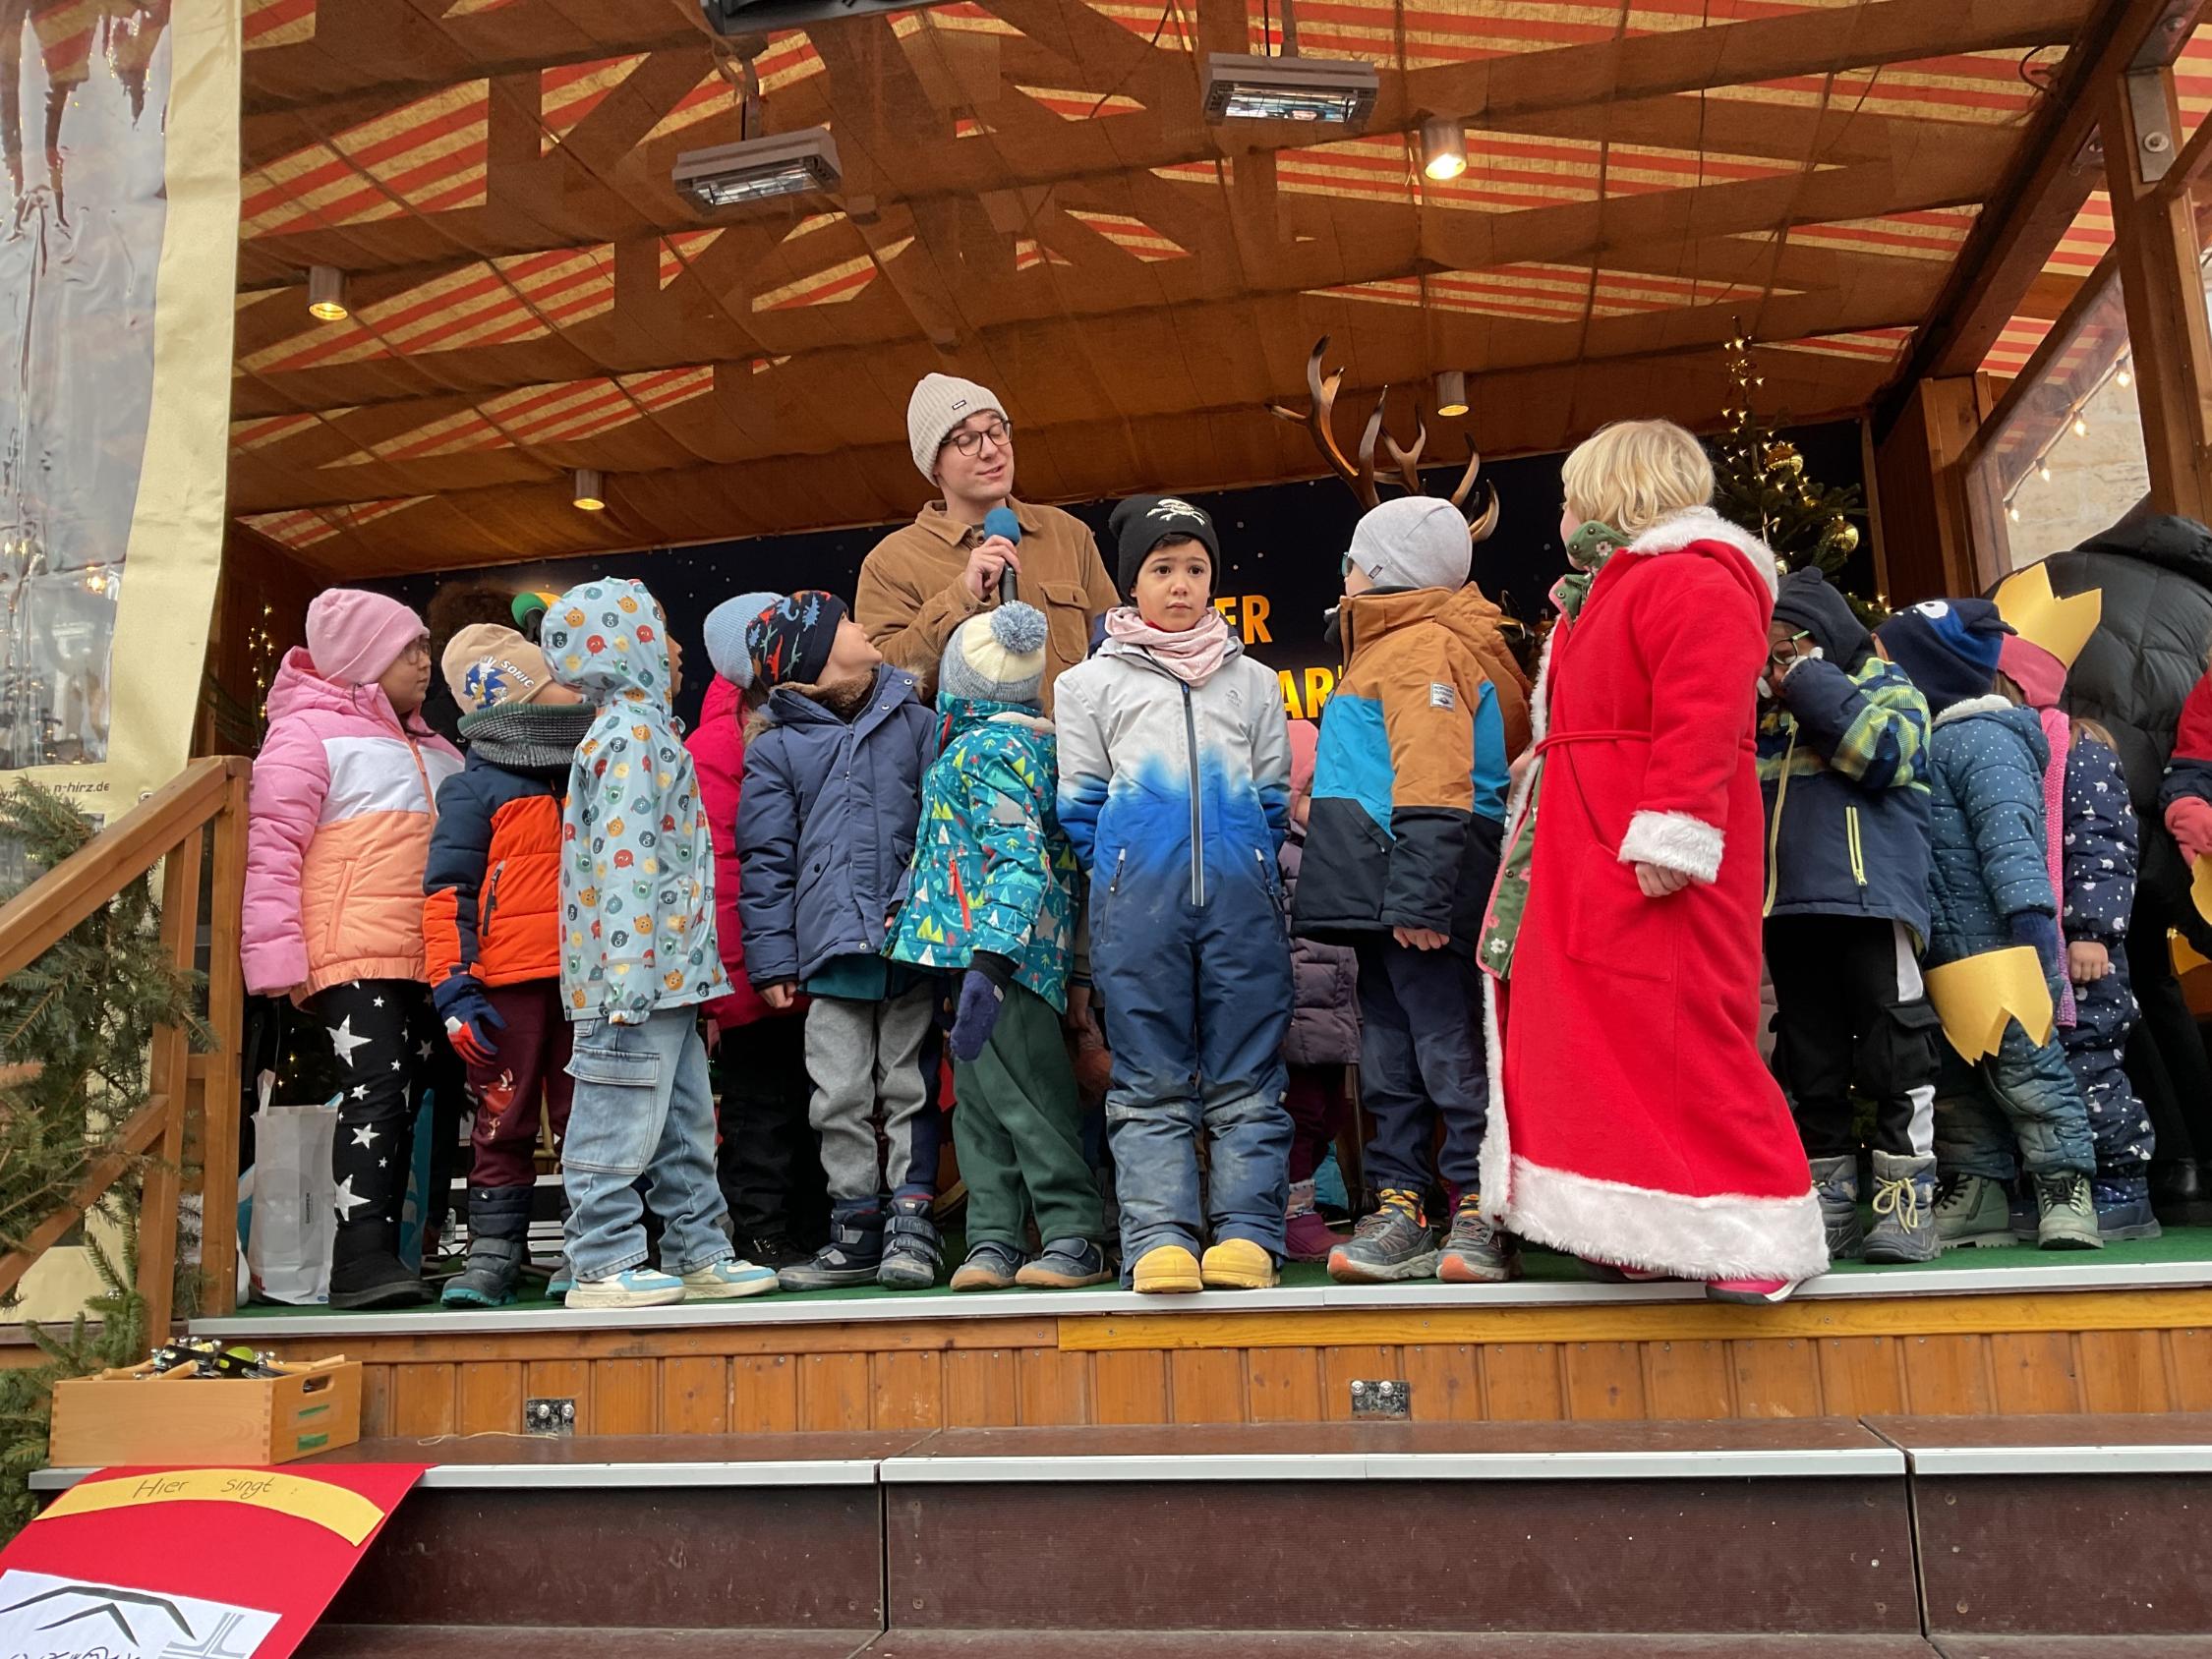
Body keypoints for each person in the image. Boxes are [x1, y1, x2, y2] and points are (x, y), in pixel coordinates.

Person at [1484, 420, 1826, 1304]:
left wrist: (1675, 828)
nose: (1561, 514)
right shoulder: (1607, 592)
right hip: (1591, 842)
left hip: (1650, 845)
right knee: (1609, 1040)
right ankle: (1646, 1222)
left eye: (1570, 497)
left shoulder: (1693, 576)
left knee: (1690, 1029)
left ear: (1614, 493)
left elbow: (1704, 709)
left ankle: (1760, 1226)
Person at [1055, 495, 1294, 1292]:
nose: (1182, 584)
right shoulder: (1087, 685)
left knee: (1248, 1073)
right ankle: (1158, 1236)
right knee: (1148, 1076)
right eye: (1163, 569)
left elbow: (1270, 797)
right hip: (1138, 912)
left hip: (1241, 907)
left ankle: (1247, 1233)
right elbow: (1081, 804)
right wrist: (1126, 873)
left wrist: (1248, 866)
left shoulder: (1254, 682)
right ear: (1133, 583)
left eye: (1196, 568)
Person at [1293, 496, 1531, 1285]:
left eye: (1354, 561)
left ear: (1383, 572)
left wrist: (1424, 899)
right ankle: (1402, 1204)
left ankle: (1477, 1206)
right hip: (1383, 896)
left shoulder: (1422, 646)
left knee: (1447, 1048)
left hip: (1418, 892)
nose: (1345, 573)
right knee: (1390, 1054)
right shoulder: (1390, 646)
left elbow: (1435, 775)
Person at [540, 578, 780, 1309]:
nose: (676, 648)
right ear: (626, 645)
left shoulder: (646, 730)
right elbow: (628, 857)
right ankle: (600, 1259)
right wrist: (628, 972)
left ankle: (697, 1247)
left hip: (664, 972)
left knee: (682, 1120)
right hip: (633, 976)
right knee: (616, 1114)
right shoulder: (632, 736)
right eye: (661, 629)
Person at [241, 590, 463, 1308]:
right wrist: (273, 958)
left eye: (426, 646)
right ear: (364, 658)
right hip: (351, 950)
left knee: (426, 1091)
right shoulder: (305, 735)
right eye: (408, 648)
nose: (425, 661)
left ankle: (409, 1244)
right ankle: (359, 1256)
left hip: (429, 954)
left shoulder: (440, 749)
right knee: (378, 1085)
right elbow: (272, 848)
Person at [890, 602, 1110, 1290]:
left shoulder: (990, 750)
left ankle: (1073, 1232)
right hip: (974, 959)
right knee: (981, 1105)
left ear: (959, 682)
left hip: (1003, 963)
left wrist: (992, 962)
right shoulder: (1010, 745)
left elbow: (1021, 861)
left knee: (1031, 1101)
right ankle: (993, 1238)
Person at [1875, 600, 2101, 1251]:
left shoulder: (1982, 739)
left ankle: (2065, 1188)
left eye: (1891, 663)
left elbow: (2011, 840)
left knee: (2032, 1073)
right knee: (1957, 1081)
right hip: (1944, 948)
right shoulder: (1926, 742)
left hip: (2002, 949)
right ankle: (1979, 1192)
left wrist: (2032, 928)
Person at [734, 592, 942, 1291]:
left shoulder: (916, 721)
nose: (862, 626)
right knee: (838, 1094)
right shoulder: (777, 746)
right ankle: (854, 1226)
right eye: (846, 622)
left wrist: (916, 904)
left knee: (910, 1085)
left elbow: (939, 824)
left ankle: (912, 1224)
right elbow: (766, 858)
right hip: (828, 949)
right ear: (814, 657)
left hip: (908, 942)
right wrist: (771, 958)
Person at [1756, 567, 1941, 1264]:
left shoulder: (1883, 684)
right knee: (1811, 1055)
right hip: (1789, 905)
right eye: (1767, 656)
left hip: (1871, 900)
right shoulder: (1766, 713)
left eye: (1788, 649)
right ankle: (1827, 1197)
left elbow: (1885, 755)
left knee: (1897, 1044)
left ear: (1824, 637)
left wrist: (1809, 680)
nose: (1776, 669)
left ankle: (1906, 1197)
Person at [2031, 514, 2212, 1222]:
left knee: (2113, 994)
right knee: (2157, 987)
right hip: (2160, 829)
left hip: (2073, 813)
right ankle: (2199, 1157)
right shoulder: (2198, 605)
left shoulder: (2060, 577)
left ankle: (2169, 1164)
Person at [423, 625, 597, 1307]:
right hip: (506, 986)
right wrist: (454, 987)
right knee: (502, 1116)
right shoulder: (474, 790)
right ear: (516, 697)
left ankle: (591, 1244)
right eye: (556, 682)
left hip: (588, 978)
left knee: (589, 1114)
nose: (574, 690)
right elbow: (448, 893)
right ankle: (493, 1250)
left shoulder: (590, 766)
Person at [2000, 621, 2155, 1241]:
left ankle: (2123, 1183)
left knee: (2089, 1063)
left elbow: (2104, 846)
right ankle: (2056, 1183)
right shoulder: (2006, 752)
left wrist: (2091, 930)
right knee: (2037, 1071)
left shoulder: (2079, 753)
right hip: (2030, 950)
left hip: (2083, 954)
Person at [691, 592, 826, 1271]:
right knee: (760, 1107)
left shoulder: (812, 720)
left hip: (814, 952)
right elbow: (719, 867)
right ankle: (759, 1229)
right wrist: (739, 972)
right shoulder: (716, 745)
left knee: (816, 1103)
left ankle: (812, 1227)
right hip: (753, 965)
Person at [854, 373, 1120, 711]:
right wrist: (959, 599)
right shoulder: (890, 562)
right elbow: (881, 688)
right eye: (966, 440)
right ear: (933, 463)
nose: (991, 450)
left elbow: (1116, 650)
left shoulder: (1067, 533)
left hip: (1074, 743)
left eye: (996, 431)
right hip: (970, 746)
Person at [1278, 718, 1358, 1263]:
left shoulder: (1329, 846)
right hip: (1298, 1008)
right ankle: (1294, 1216)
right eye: (1309, 791)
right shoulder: (1279, 847)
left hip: (1334, 1005)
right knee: (1300, 1115)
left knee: (1329, 1113)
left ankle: (1311, 1208)